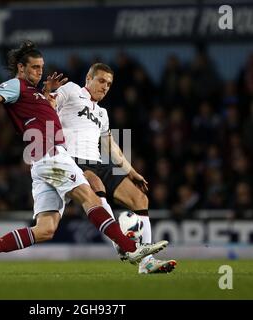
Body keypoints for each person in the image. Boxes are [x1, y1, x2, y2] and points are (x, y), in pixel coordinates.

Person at [0, 41, 168, 276]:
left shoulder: (38, 95)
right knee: (89, 196)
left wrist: (46, 93)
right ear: (21, 68)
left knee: (45, 229)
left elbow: (58, 116)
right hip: (51, 154)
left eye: (41, 67)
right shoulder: (17, 86)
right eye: (34, 67)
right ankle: (129, 247)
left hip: (43, 162)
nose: (39, 72)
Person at [52, 63, 176, 274]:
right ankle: (119, 242)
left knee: (140, 198)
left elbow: (111, 147)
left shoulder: (102, 113)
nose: (105, 86)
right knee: (97, 185)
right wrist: (48, 93)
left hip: (97, 162)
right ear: (88, 79)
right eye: (101, 81)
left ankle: (147, 262)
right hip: (71, 159)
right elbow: (47, 105)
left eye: (109, 84)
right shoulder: (71, 90)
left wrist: (131, 171)